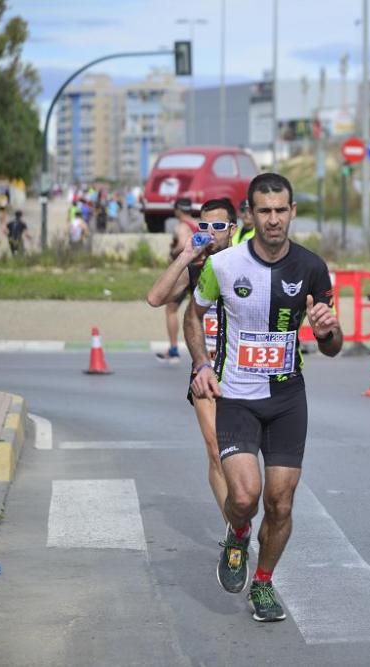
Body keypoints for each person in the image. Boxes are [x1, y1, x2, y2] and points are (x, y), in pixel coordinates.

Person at [187, 173, 343, 623]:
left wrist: (328, 328)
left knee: (281, 503)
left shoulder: (311, 267)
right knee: (245, 495)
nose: (273, 220)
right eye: (264, 211)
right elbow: (192, 317)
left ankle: (263, 583)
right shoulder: (225, 265)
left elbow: (333, 346)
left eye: (281, 210)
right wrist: (201, 365)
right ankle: (238, 533)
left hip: (288, 398)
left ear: (293, 212)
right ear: (249, 215)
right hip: (236, 396)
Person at [146, 197, 237, 523]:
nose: (211, 233)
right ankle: (234, 532)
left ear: (232, 229)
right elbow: (155, 298)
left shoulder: (246, 263)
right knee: (215, 451)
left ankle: (242, 509)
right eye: (204, 226)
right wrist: (185, 256)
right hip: (205, 370)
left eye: (218, 226)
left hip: (243, 372)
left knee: (239, 459)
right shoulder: (197, 266)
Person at [156, 198, 199, 364]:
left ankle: (174, 349)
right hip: (199, 271)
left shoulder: (181, 226)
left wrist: (173, 253)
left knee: (171, 310)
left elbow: (182, 244)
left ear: (178, 210)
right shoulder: (197, 224)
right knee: (200, 312)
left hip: (185, 272)